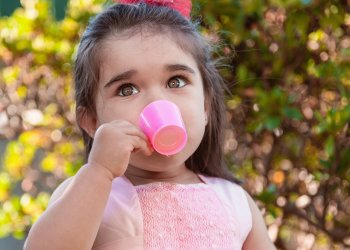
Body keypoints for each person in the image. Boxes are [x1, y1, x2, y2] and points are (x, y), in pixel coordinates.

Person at [24, 1, 276, 249]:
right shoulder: (92, 196)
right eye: (127, 89)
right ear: (92, 121)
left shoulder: (234, 202)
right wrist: (99, 172)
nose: (157, 102)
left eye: (176, 82)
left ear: (206, 105)